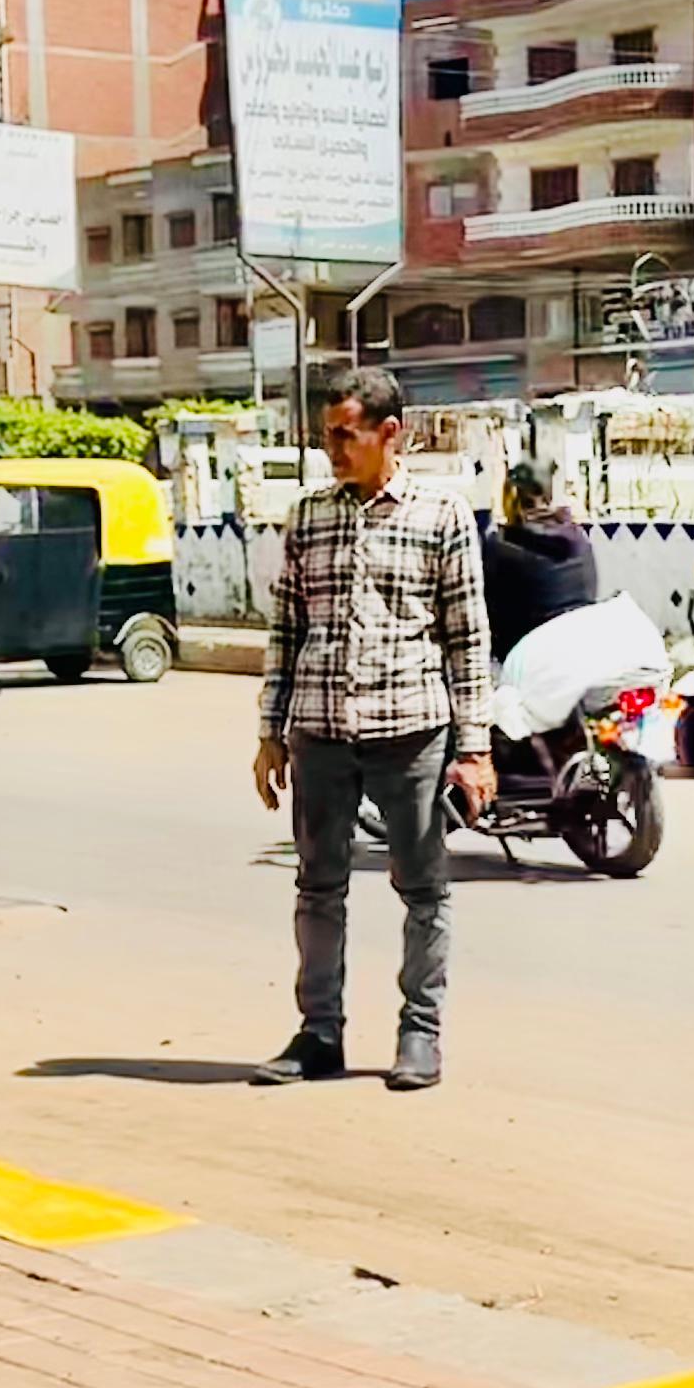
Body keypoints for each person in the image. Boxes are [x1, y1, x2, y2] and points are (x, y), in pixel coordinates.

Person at [253, 369, 495, 1093]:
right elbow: (285, 630)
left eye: (345, 435)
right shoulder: (308, 517)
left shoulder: (442, 516)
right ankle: (318, 1033)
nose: (332, 449)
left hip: (411, 732)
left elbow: (466, 638)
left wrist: (474, 748)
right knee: (317, 888)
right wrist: (270, 732)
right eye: (327, 435)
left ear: (390, 433)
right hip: (320, 732)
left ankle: (420, 1033)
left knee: (423, 890)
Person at [480, 462, 602, 662]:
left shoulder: (499, 547)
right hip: (583, 650)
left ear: (510, 498)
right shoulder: (580, 538)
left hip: (527, 661)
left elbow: (485, 612)